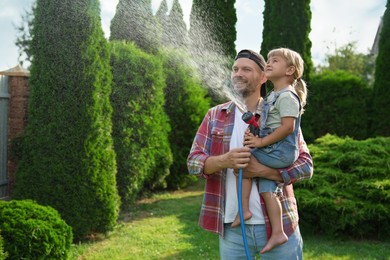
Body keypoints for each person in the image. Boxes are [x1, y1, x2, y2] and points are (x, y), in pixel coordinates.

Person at [187, 49, 313, 259]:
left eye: (246, 69)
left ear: (263, 77)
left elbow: (306, 166)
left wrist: (262, 171)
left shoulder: (279, 111)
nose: (238, 73)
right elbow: (193, 163)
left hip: (279, 225)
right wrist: (224, 161)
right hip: (233, 228)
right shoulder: (214, 116)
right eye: (235, 69)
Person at [231, 47, 308, 254]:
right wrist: (256, 129)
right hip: (274, 151)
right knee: (267, 189)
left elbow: (287, 128)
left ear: (290, 70)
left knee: (243, 161)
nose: (269, 62)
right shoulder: (275, 96)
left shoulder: (287, 96)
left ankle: (243, 209)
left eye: (275, 60)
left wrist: (260, 142)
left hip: (280, 152)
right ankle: (278, 232)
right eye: (269, 60)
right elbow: (270, 124)